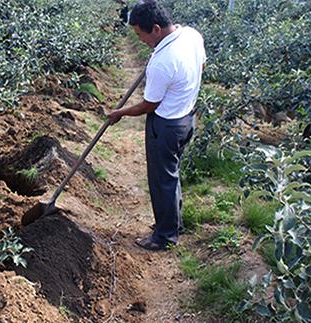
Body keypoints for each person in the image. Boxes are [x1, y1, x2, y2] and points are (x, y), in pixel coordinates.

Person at [107, 0, 206, 251]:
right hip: (187, 118)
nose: (139, 39)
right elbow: (202, 65)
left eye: (140, 34)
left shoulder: (162, 61)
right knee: (170, 176)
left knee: (161, 180)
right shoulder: (191, 35)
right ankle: (173, 223)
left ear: (156, 29)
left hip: (166, 126)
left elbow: (148, 104)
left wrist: (120, 112)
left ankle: (164, 237)